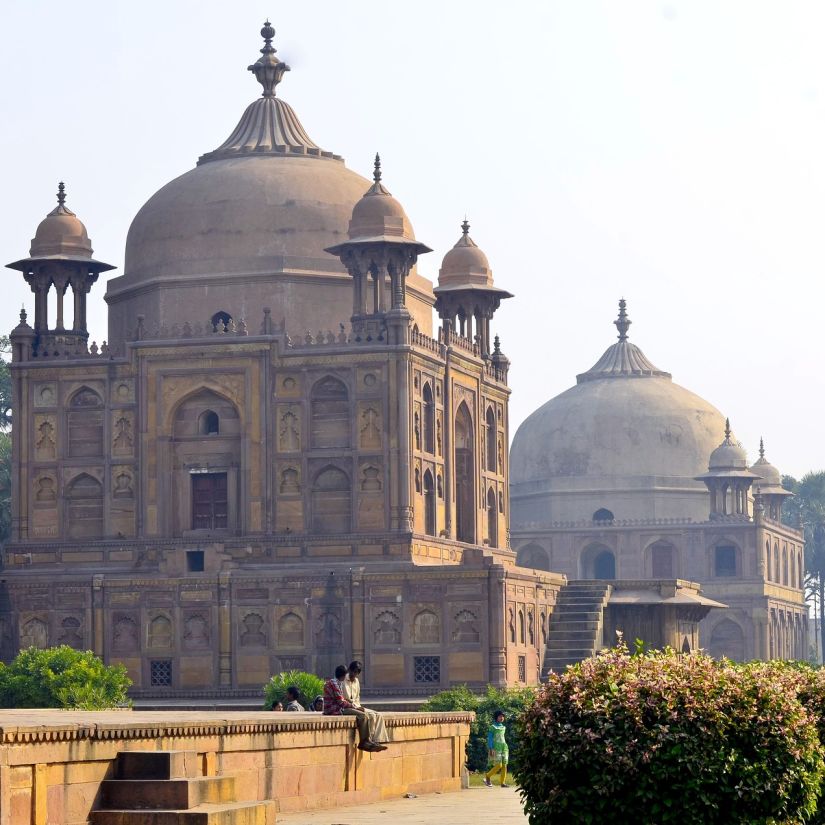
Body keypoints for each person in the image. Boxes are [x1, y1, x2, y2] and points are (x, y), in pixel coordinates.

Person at [323, 664, 386, 752]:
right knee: (363, 716)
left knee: (366, 715)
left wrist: (355, 707)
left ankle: (368, 741)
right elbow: (341, 702)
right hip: (334, 709)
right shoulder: (334, 683)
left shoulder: (337, 683)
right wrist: (354, 707)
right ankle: (364, 742)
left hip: (338, 708)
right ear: (344, 675)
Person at [343, 660, 389, 749]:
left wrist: (358, 707)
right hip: (347, 706)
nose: (354, 674)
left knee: (378, 715)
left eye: (356, 672)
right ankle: (368, 741)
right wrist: (356, 707)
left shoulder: (356, 681)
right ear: (349, 670)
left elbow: (357, 697)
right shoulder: (343, 680)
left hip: (356, 705)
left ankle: (376, 741)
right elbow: (344, 699)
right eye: (353, 671)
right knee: (369, 715)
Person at [483, 710, 510, 787]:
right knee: (499, 765)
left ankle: (503, 783)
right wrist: (491, 748)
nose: (502, 718)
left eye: (503, 716)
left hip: (504, 747)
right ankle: (488, 776)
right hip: (496, 748)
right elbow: (490, 738)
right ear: (496, 717)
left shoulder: (503, 727)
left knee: (505, 765)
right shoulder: (492, 727)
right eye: (500, 716)